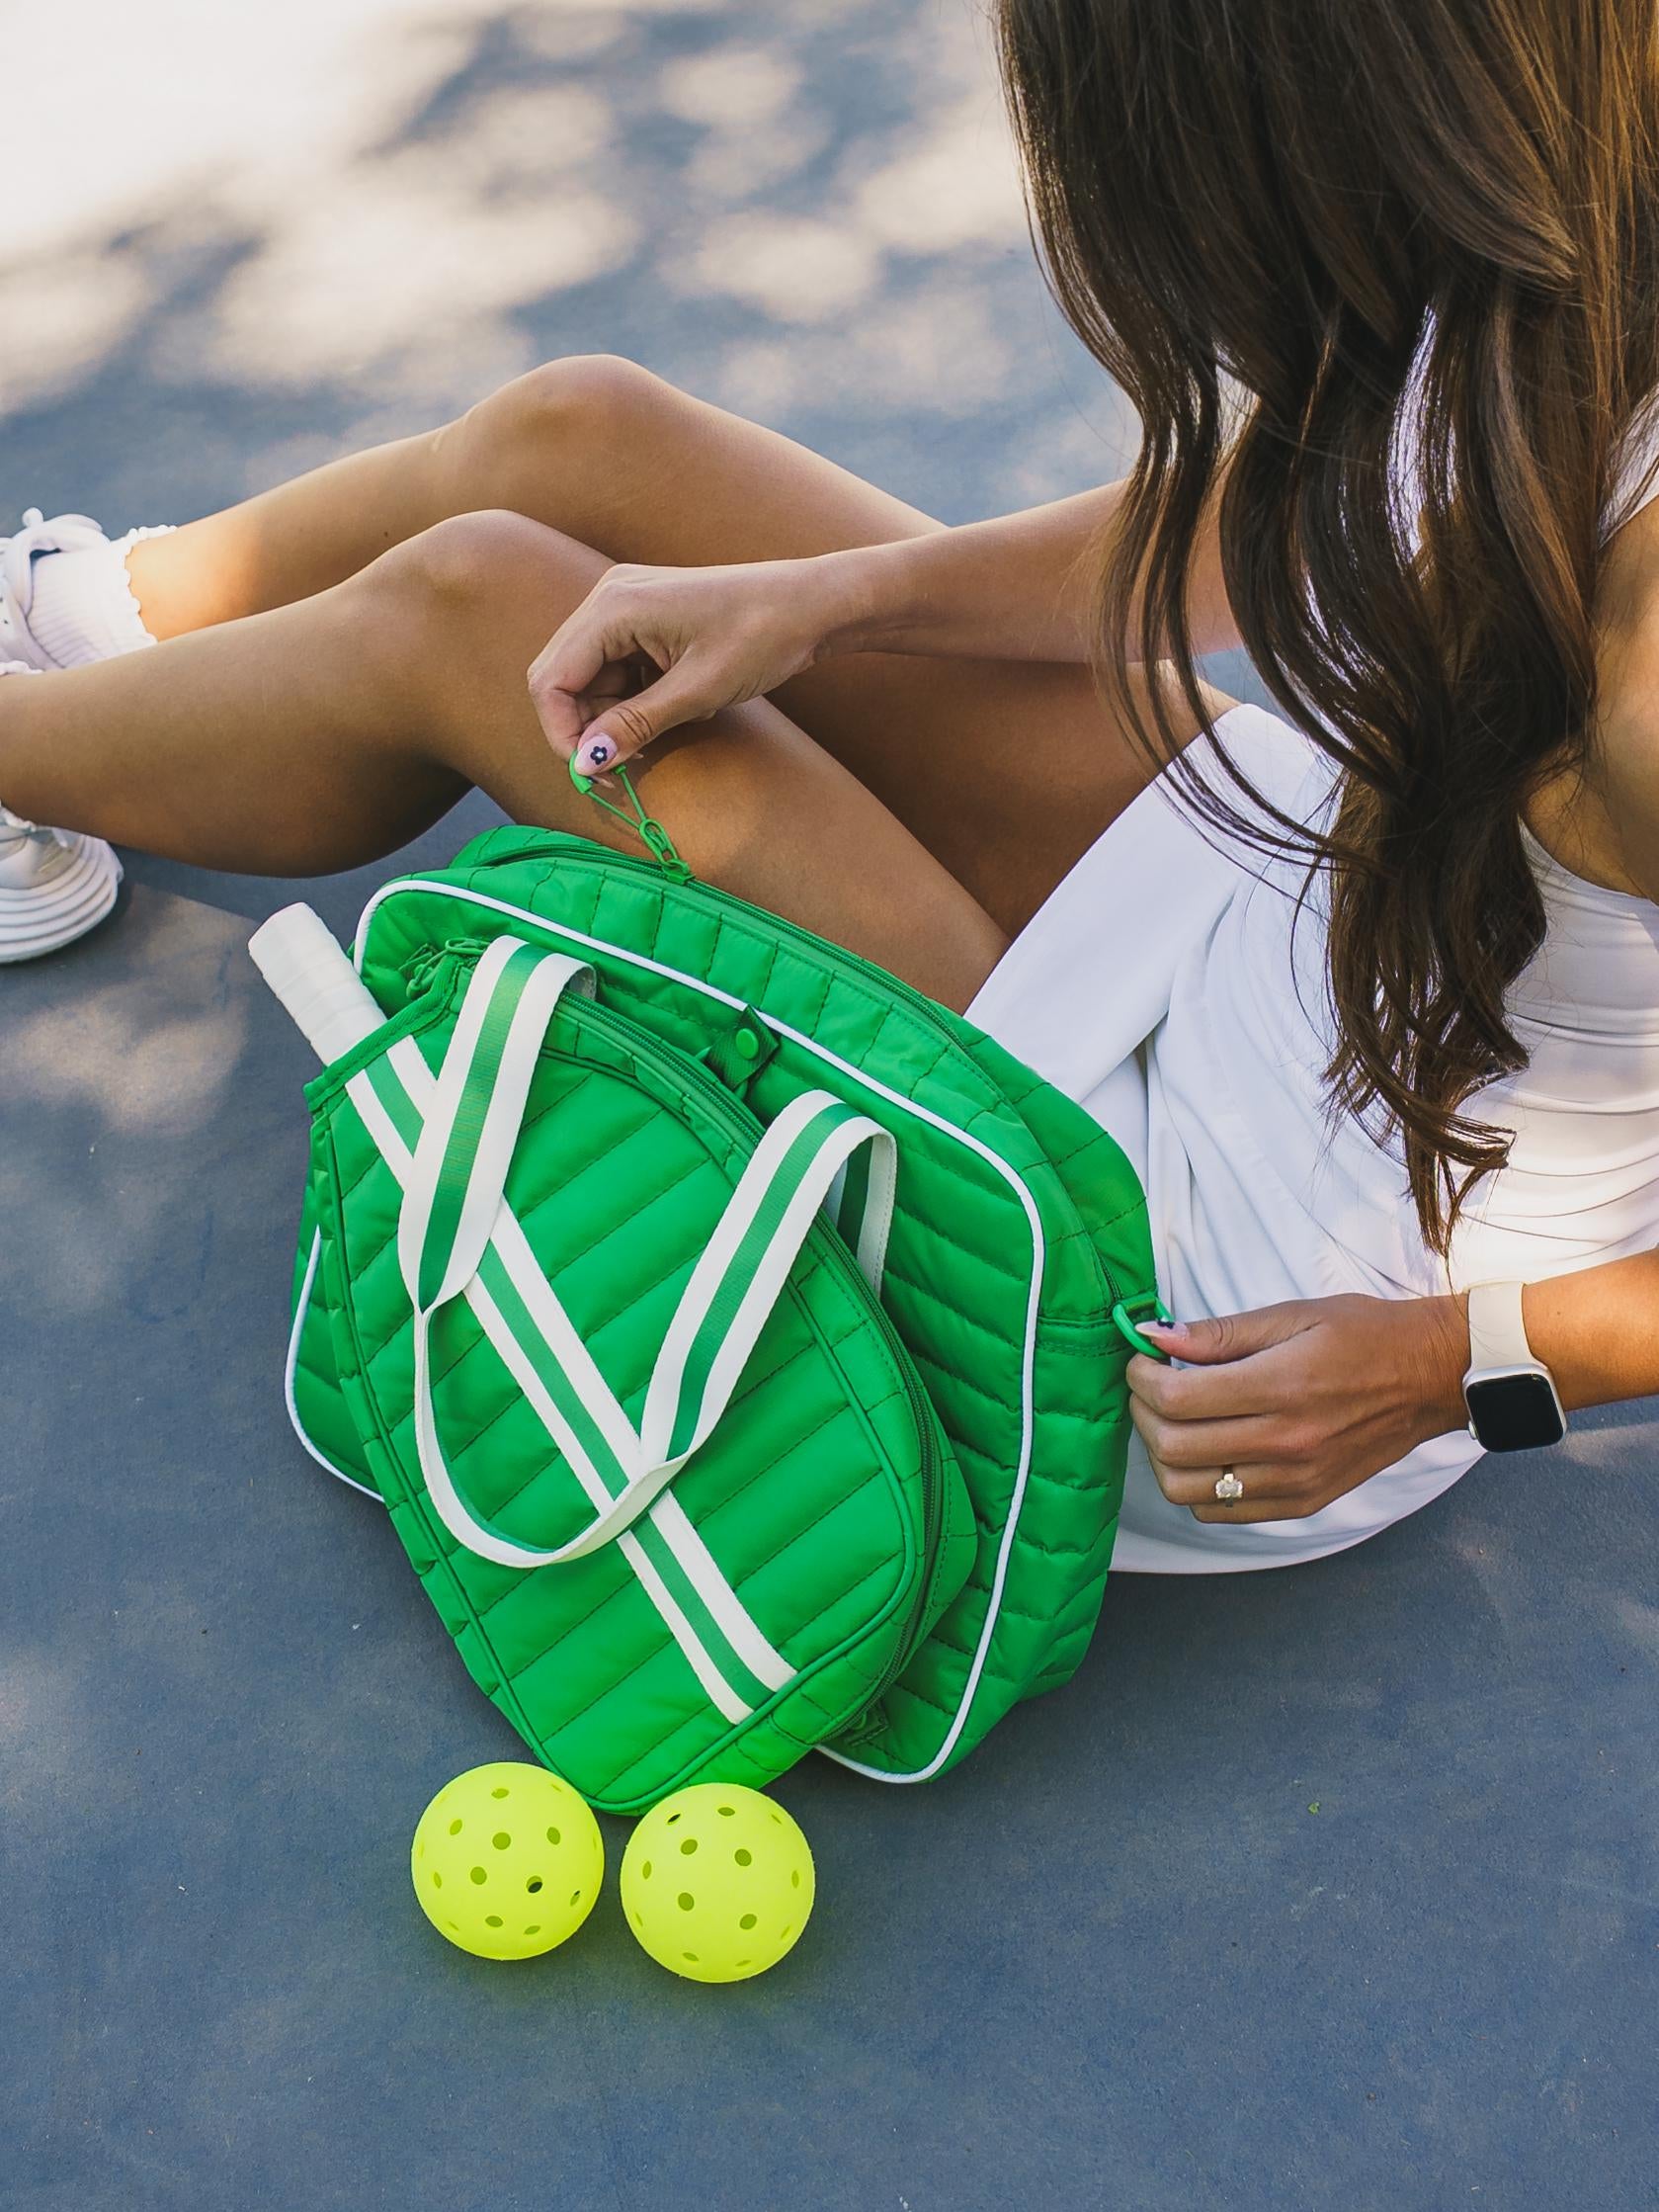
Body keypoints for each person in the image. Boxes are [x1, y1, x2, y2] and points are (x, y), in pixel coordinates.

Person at [7, 0, 1659, 1569]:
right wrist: (835, 600)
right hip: (1289, 919)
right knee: (586, 438)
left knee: (481, 613)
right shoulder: (1573, 202)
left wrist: (1452, 1368)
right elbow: (1329, 494)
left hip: (1254, 1272)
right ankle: (88, 623)